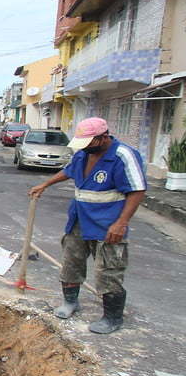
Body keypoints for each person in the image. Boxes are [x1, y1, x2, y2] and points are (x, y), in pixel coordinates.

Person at [29, 117, 146, 334]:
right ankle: (70, 302)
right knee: (71, 262)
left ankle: (112, 317)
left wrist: (121, 223)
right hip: (79, 220)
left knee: (109, 270)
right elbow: (69, 170)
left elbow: (137, 190)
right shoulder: (84, 153)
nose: (85, 148)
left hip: (107, 224)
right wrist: (45, 184)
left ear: (103, 138)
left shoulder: (123, 156)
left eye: (89, 143)